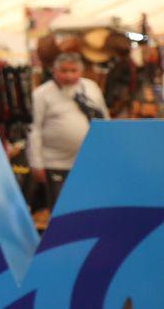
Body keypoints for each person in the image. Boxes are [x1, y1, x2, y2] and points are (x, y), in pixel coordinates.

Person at [27, 52, 107, 210]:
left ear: (81, 71)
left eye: (73, 70)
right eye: (64, 71)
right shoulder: (42, 94)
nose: (69, 76)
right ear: (55, 71)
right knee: (60, 208)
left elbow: (104, 119)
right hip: (54, 162)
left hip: (86, 161)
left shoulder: (91, 88)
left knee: (85, 206)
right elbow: (33, 129)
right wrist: (36, 162)